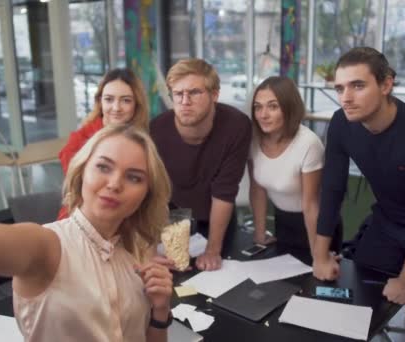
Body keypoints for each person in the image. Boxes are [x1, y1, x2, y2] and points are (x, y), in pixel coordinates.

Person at [0, 85, 174, 341]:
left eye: (134, 177)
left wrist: (159, 311)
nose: (114, 184)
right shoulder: (47, 246)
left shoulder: (139, 251)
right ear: (82, 171)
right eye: (103, 167)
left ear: (146, 194)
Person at [313, 47, 405, 342]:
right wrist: (320, 255)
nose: (346, 97)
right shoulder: (342, 123)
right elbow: (332, 189)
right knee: (357, 293)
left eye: (358, 85)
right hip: (387, 220)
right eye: (340, 88)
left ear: (386, 84)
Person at [150, 58, 251, 271]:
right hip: (173, 216)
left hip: (217, 217)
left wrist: (213, 250)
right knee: (172, 278)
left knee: (217, 276)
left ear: (215, 95)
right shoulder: (157, 130)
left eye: (194, 93)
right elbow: (154, 193)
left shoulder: (237, 126)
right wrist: (152, 247)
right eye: (178, 94)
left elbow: (224, 191)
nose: (185, 101)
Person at [248, 76, 340, 261]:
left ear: (289, 107)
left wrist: (318, 254)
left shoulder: (308, 143)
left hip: (317, 226)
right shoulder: (254, 141)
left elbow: (311, 204)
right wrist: (259, 233)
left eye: (273, 106)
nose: (263, 114)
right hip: (282, 221)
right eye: (258, 107)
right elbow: (257, 189)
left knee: (315, 283)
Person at [58, 68, 149, 219]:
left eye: (126, 100)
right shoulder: (79, 142)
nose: (116, 108)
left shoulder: (143, 140)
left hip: (130, 218)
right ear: (100, 102)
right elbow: (82, 194)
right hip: (85, 220)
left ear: (136, 104)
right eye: (109, 99)